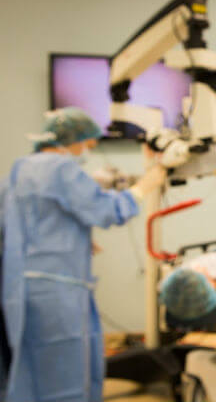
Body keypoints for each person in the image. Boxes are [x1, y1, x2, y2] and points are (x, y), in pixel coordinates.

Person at [0, 108, 166, 402]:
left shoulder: (21, 168)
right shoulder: (60, 169)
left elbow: (22, 223)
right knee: (64, 369)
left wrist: (76, 236)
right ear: (72, 141)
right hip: (57, 288)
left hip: (21, 285)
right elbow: (108, 211)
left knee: (31, 365)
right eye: (87, 145)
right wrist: (145, 186)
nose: (86, 152)